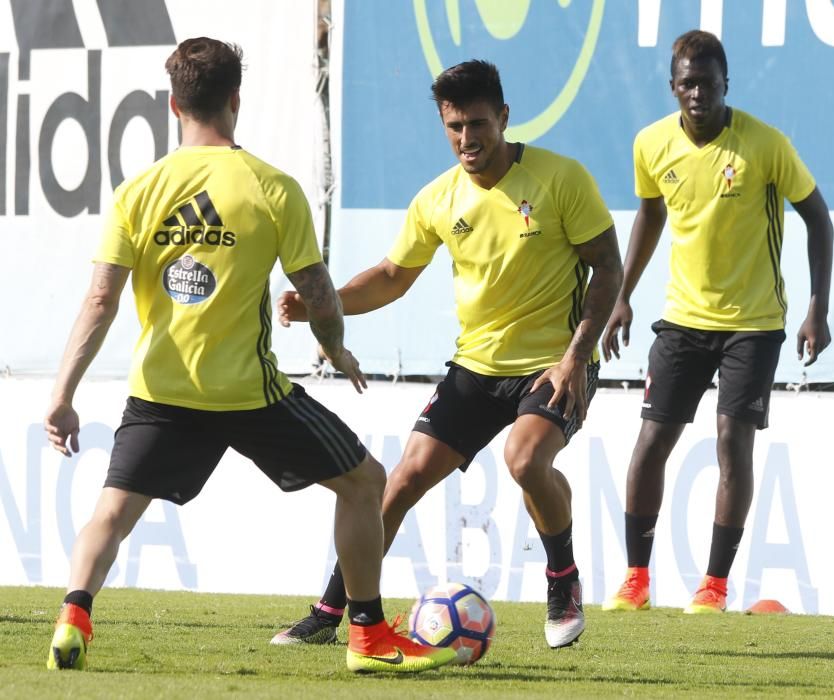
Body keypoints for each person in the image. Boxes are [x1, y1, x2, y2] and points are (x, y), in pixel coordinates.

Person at [43, 37, 456, 674]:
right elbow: (317, 293)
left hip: (162, 393)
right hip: (249, 393)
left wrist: (62, 396)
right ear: (237, 99)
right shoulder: (271, 187)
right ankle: (368, 637)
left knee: (113, 511)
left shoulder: (138, 192)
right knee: (366, 482)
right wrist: (335, 347)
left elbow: (100, 301)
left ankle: (73, 617)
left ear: (172, 102)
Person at [273, 59, 623, 649]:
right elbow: (389, 276)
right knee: (402, 479)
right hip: (476, 368)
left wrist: (574, 358)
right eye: (454, 126)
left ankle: (562, 576)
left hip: (553, 364)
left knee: (524, 460)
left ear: (505, 118)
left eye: (478, 124)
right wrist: (321, 302)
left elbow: (608, 269)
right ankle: (331, 611)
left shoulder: (561, 180)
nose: (467, 139)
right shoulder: (438, 199)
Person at [600, 30, 833, 614]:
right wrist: (621, 295)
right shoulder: (651, 144)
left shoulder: (764, 144)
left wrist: (817, 309)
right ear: (673, 87)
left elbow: (819, 221)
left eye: (708, 82)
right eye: (687, 83)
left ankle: (714, 586)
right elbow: (650, 215)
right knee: (651, 440)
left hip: (753, 324)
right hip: (681, 320)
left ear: (727, 84)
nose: (698, 92)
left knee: (732, 441)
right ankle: (635, 578)